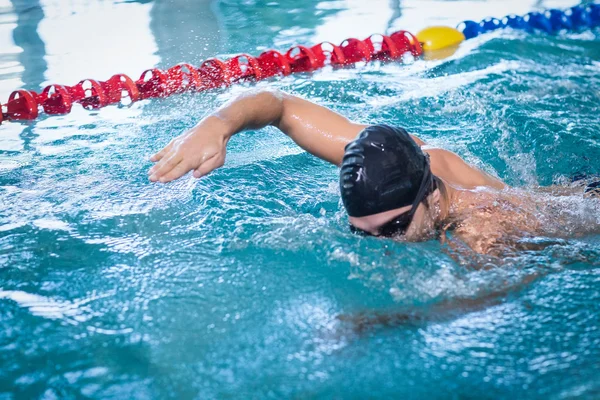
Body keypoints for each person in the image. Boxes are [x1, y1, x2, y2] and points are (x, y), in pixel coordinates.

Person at [148, 89, 599, 257]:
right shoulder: (398, 158)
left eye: (396, 227)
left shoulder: (485, 233)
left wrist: (382, 322)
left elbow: (486, 304)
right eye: (366, 234)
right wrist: (217, 125)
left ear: (434, 199)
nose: (383, 244)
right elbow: (280, 106)